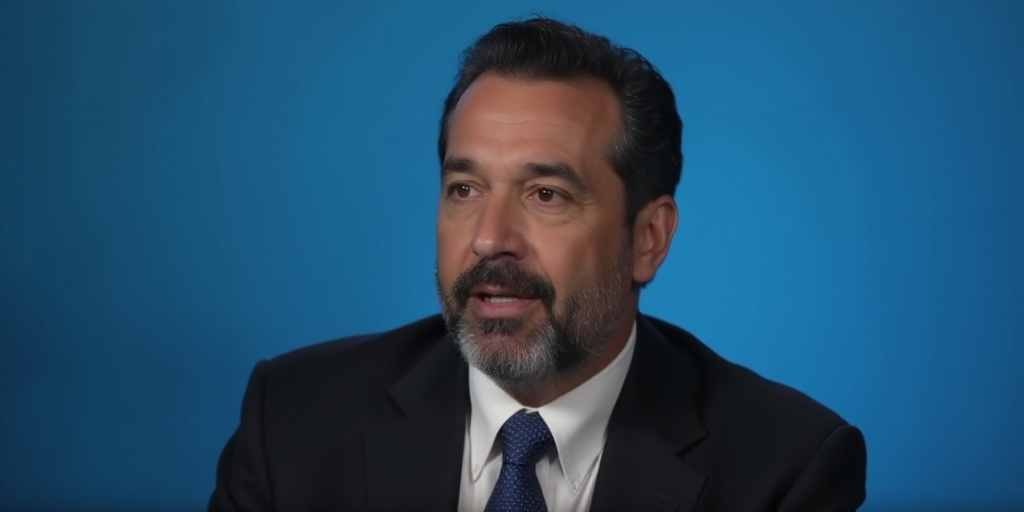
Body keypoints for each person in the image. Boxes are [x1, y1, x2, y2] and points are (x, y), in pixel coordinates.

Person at [209, 17, 866, 512]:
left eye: (546, 195)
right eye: (464, 190)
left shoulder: (787, 468)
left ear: (649, 238)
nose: (490, 239)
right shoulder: (293, 421)